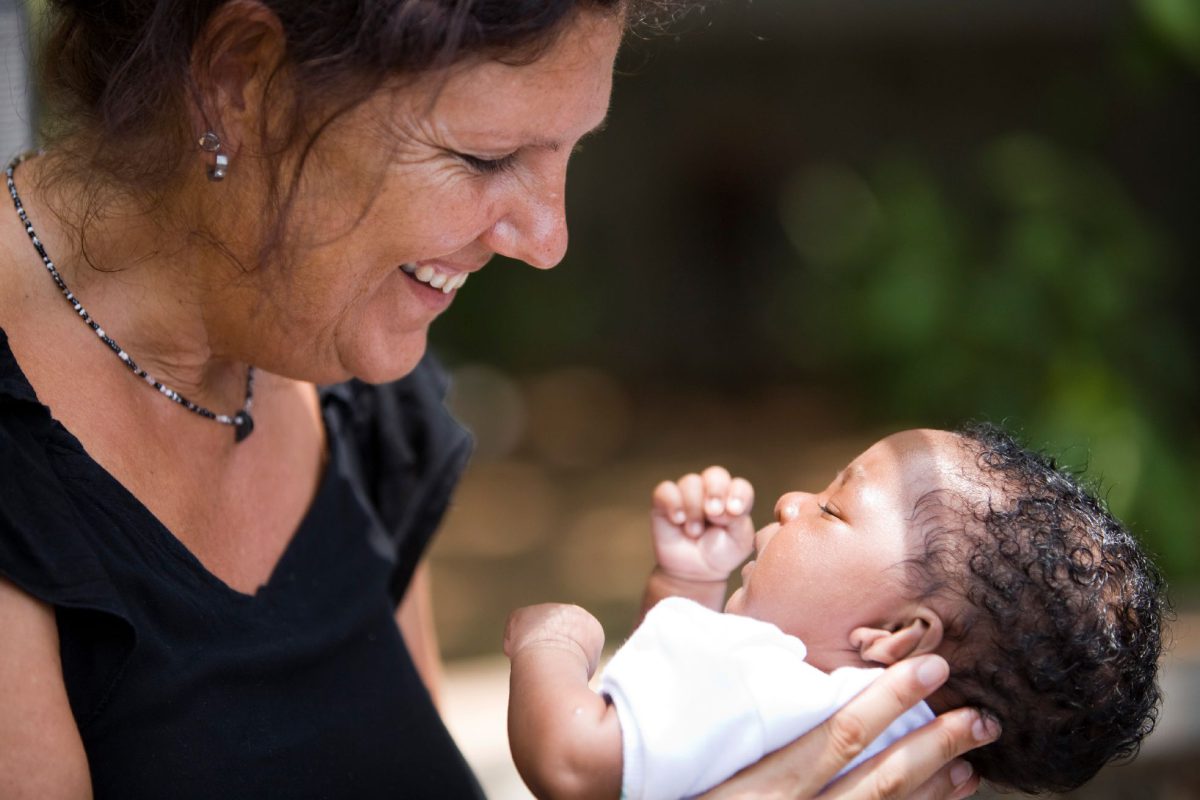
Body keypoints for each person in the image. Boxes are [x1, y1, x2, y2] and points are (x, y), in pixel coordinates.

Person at [0, 1, 994, 797]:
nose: (547, 240)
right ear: (240, 77)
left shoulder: (355, 398)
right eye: (485, 157)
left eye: (567, 154)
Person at [505, 424, 1166, 800]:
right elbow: (676, 733)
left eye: (831, 509)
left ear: (896, 636)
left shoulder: (765, 684)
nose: (790, 501)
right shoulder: (884, 749)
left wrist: (552, 643)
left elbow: (575, 761)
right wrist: (688, 583)